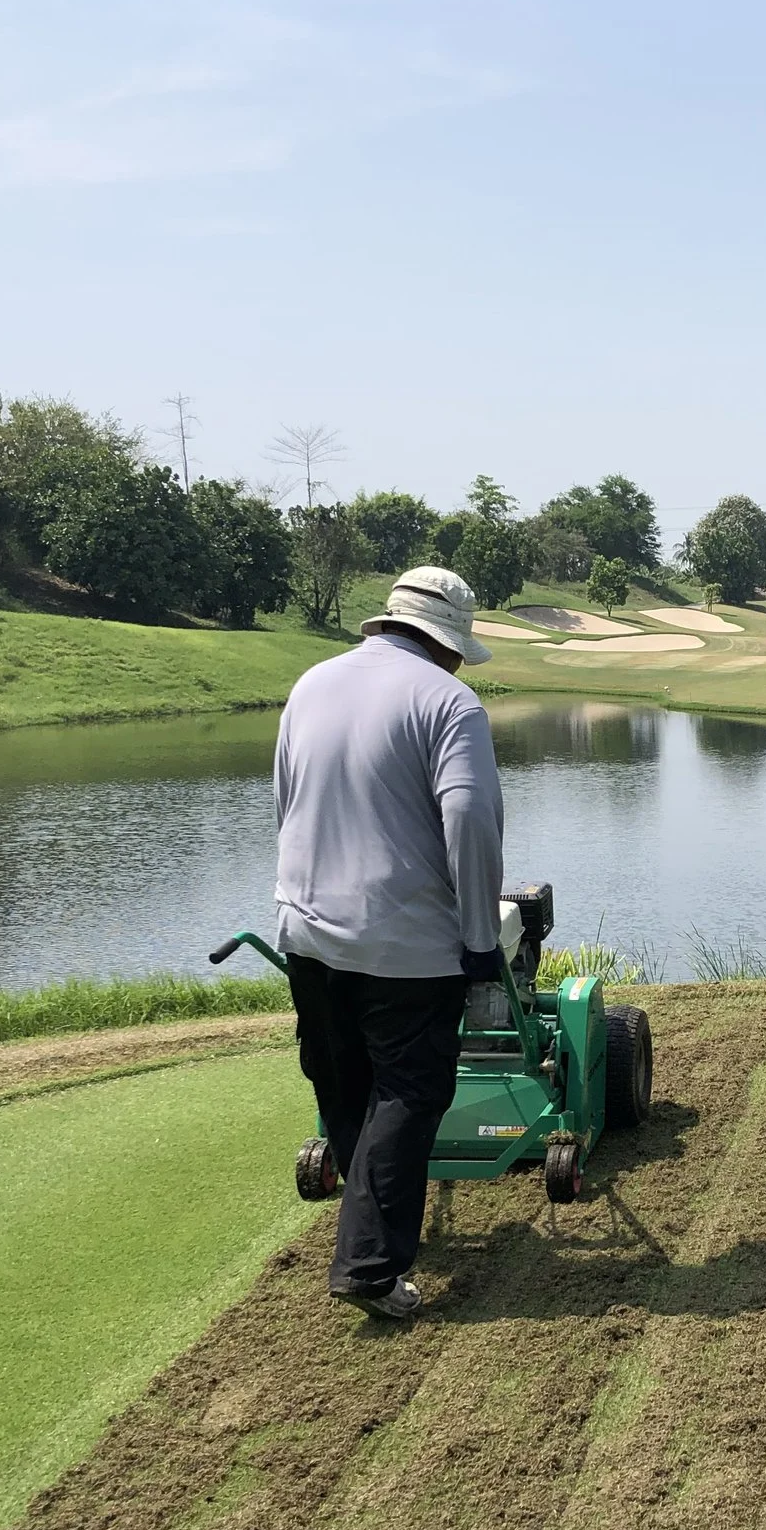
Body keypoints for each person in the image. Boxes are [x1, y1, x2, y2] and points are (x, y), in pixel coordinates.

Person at [272, 564, 504, 1323]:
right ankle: (370, 1264)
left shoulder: (311, 683)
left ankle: (369, 1217)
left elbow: (286, 798)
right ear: (450, 644)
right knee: (410, 1089)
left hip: (307, 932)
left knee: (343, 1082)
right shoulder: (449, 702)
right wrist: (477, 941)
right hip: (405, 945)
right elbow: (470, 822)